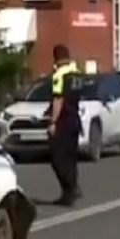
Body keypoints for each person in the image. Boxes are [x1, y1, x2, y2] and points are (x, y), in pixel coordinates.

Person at [47, 44, 83, 206]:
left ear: (56, 57)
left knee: (57, 158)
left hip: (64, 119)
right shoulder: (76, 72)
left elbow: (58, 98)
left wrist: (53, 121)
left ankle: (71, 188)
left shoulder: (59, 75)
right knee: (70, 157)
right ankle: (69, 194)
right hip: (75, 117)